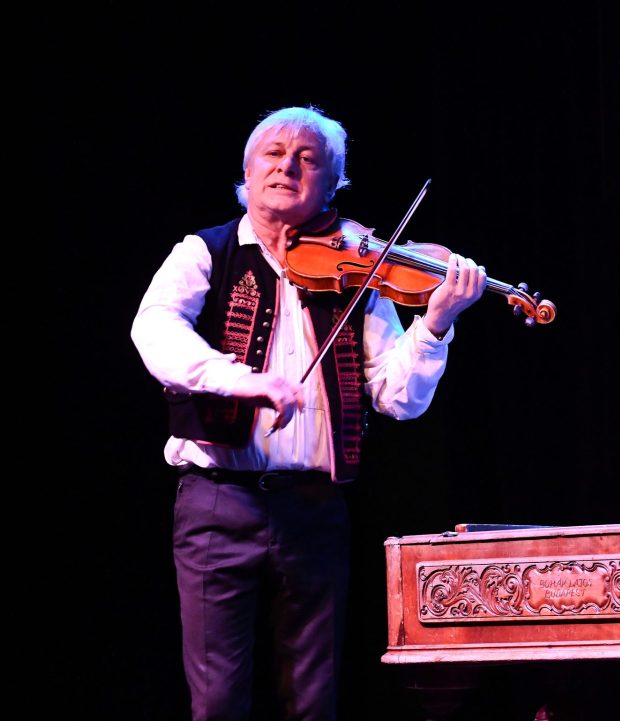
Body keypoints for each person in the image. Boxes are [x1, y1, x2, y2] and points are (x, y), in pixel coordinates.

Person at [131, 106, 485, 721]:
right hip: (217, 501)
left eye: (308, 158)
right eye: (273, 153)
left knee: (314, 702)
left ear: (332, 184)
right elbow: (155, 330)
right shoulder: (205, 252)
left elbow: (397, 398)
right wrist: (239, 380)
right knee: (217, 701)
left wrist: (435, 324)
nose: (287, 167)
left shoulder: (357, 268)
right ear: (247, 170)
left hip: (315, 508)